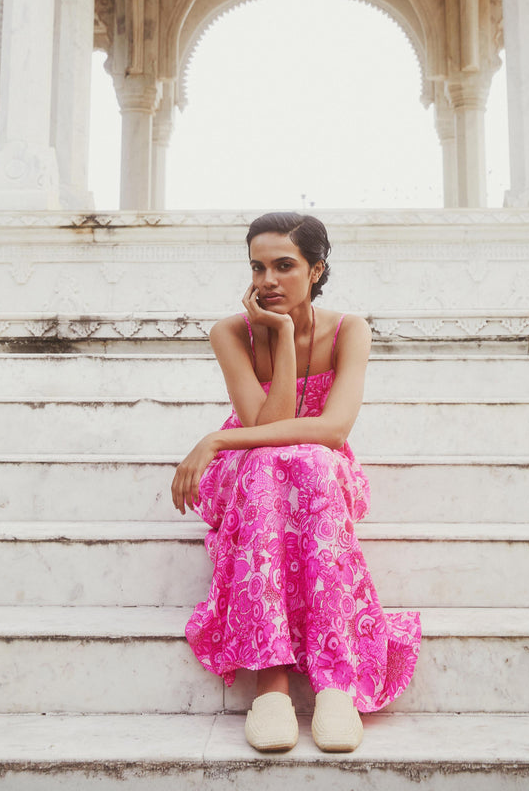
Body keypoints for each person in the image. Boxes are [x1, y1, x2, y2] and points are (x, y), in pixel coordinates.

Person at [171, 212, 420, 753]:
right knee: (270, 465)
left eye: (285, 266)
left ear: (316, 270)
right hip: (250, 467)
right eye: (258, 267)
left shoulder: (350, 329)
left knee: (310, 461)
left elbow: (333, 429)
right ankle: (273, 684)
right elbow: (264, 429)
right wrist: (280, 337)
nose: (268, 280)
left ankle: (336, 685)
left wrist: (213, 440)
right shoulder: (230, 333)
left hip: (316, 470)